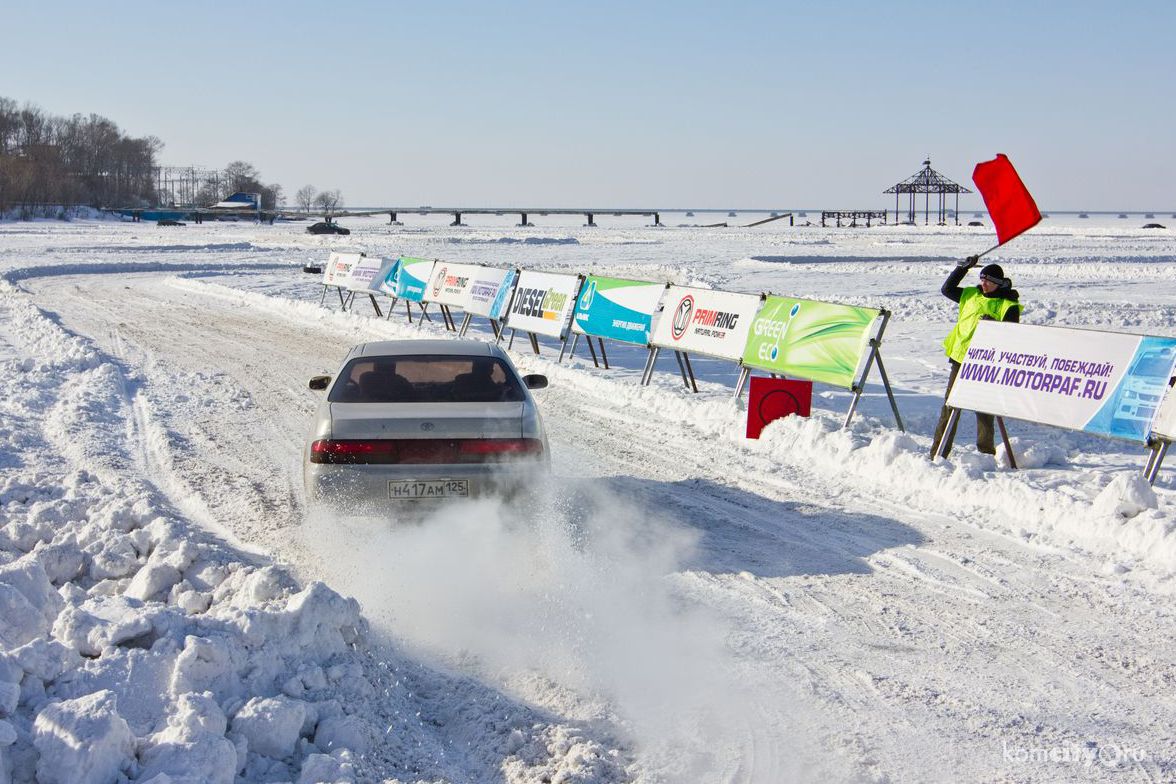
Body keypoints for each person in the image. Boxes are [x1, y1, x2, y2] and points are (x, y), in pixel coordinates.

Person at [931, 256, 1023, 457]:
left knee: (984, 410)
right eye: (982, 279)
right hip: (960, 359)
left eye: (988, 280)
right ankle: (938, 452)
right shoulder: (970, 294)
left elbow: (1012, 335)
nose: (983, 283)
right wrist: (961, 269)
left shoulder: (1008, 305)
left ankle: (985, 455)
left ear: (998, 283)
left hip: (985, 365)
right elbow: (946, 289)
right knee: (950, 407)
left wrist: (995, 326)